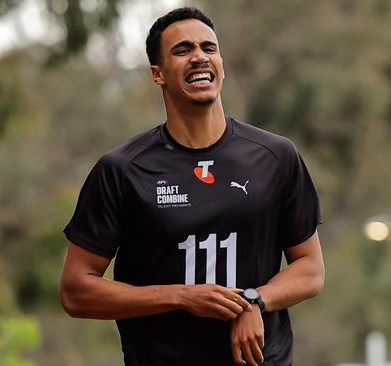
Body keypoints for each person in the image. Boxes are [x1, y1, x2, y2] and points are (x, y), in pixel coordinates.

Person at [60, 7, 325, 366]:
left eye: (209, 48)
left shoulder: (276, 156)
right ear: (158, 74)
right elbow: (76, 291)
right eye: (182, 50)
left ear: (222, 65)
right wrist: (181, 297)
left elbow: (310, 268)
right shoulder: (122, 170)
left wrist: (254, 300)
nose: (199, 56)